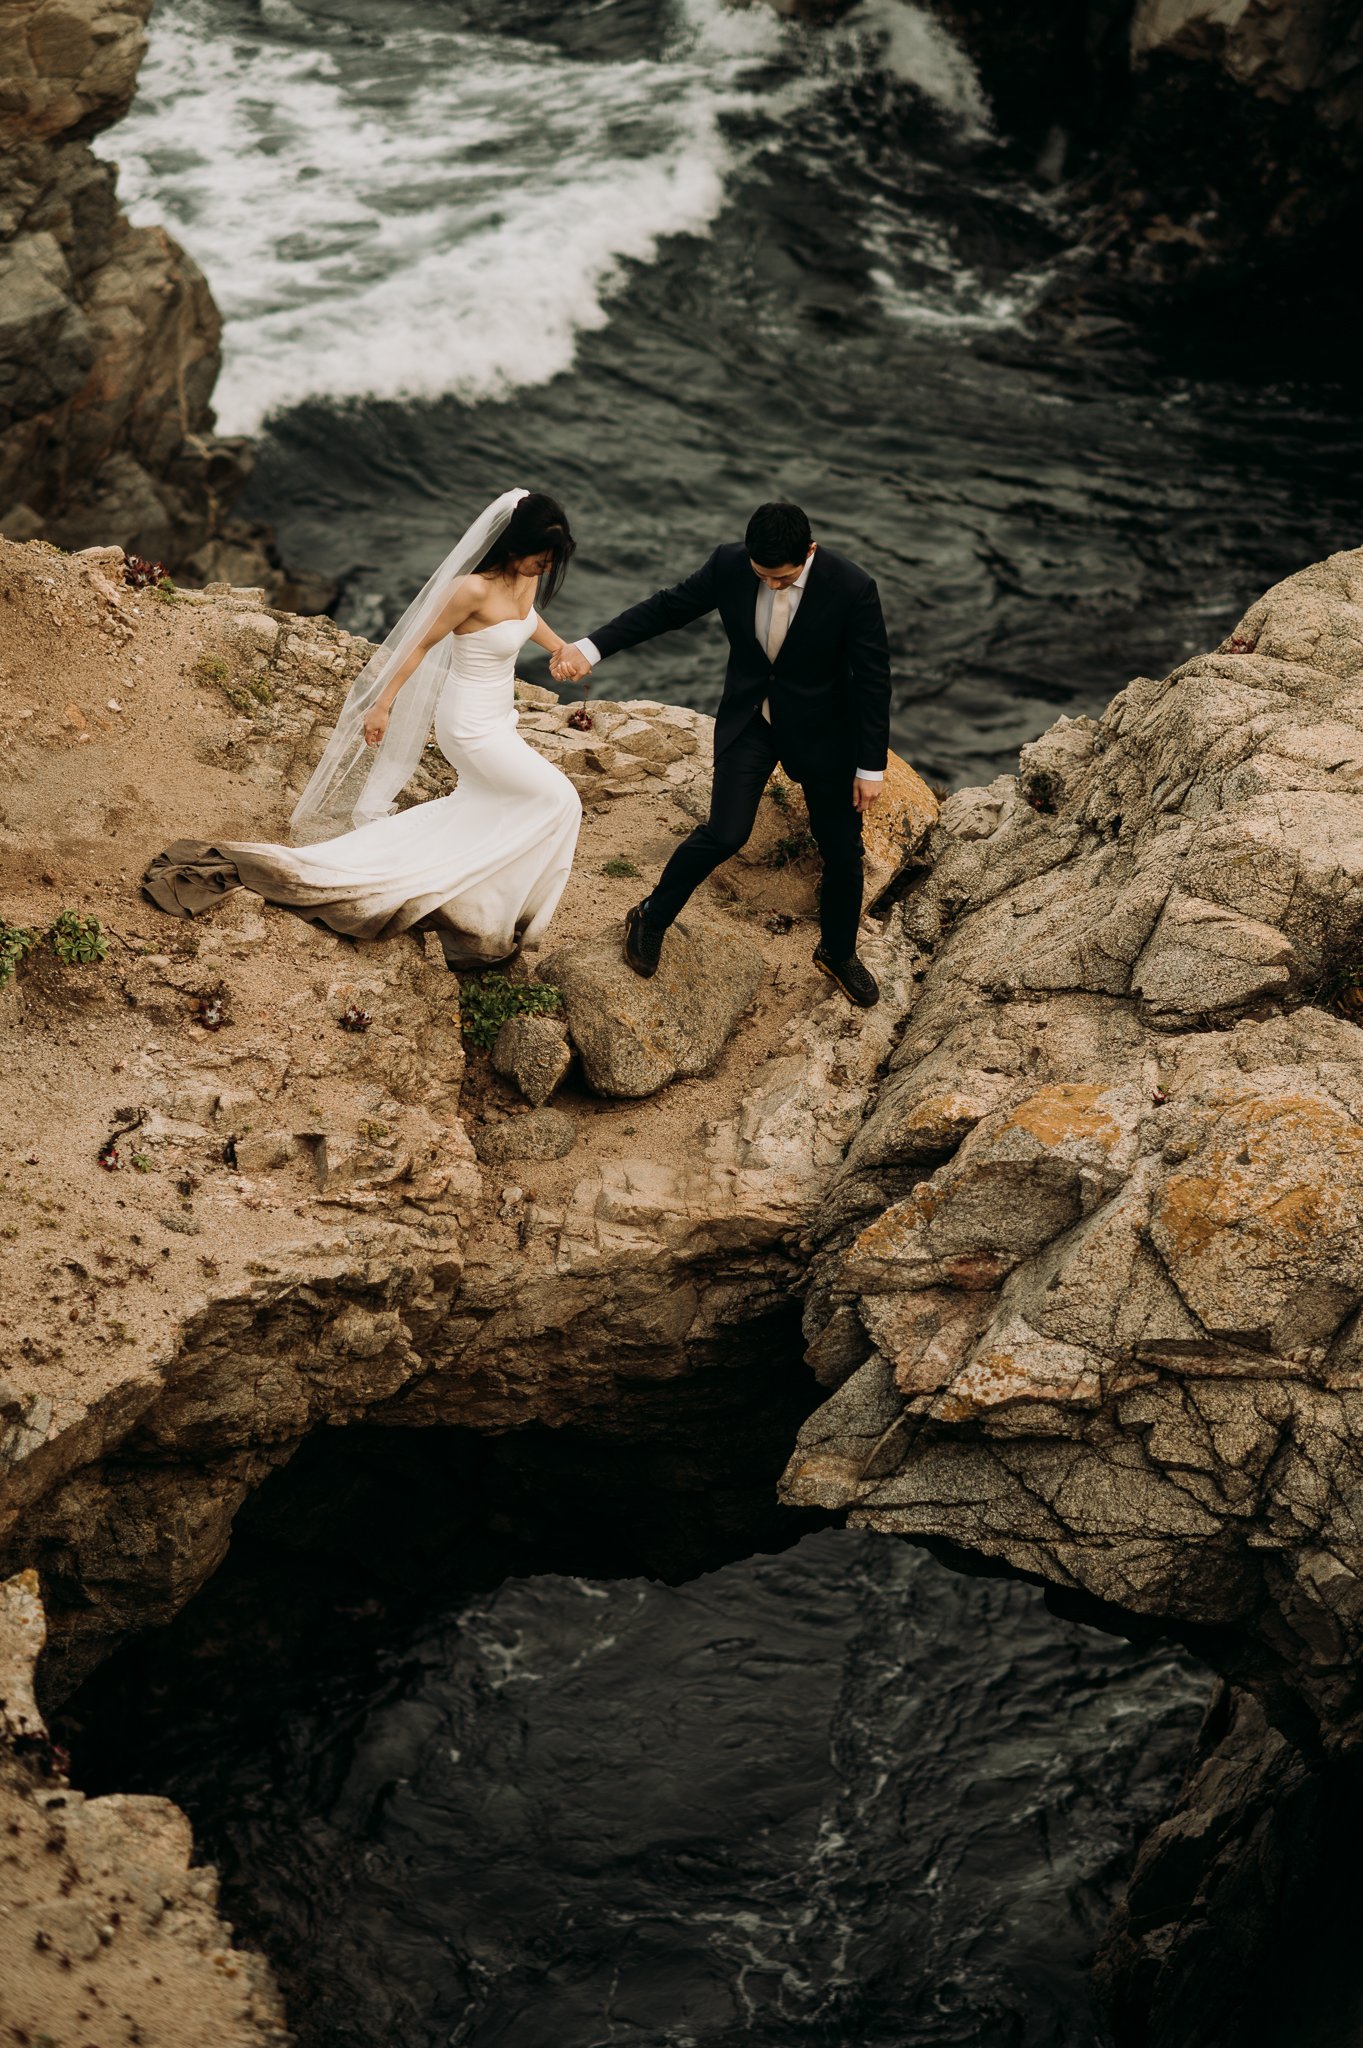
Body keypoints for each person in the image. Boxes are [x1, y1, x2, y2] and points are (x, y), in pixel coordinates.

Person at [143, 490, 583, 966]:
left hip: (501, 716)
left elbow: (524, 619)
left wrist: (560, 647)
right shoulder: (470, 589)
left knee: (491, 805)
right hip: (470, 725)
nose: (546, 567)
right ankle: (508, 913)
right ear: (515, 546)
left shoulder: (525, 582)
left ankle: (479, 905)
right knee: (559, 800)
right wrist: (383, 705)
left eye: (552, 560)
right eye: (542, 558)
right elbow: (416, 646)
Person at [552, 500, 892, 1006]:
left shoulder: (852, 587)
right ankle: (651, 915)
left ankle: (838, 952)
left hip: (825, 733)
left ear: (811, 552)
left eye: (783, 579)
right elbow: (666, 609)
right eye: (763, 576)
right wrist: (590, 647)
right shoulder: (729, 564)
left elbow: (873, 679)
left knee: (842, 850)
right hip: (751, 719)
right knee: (726, 832)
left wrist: (871, 765)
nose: (771, 586)